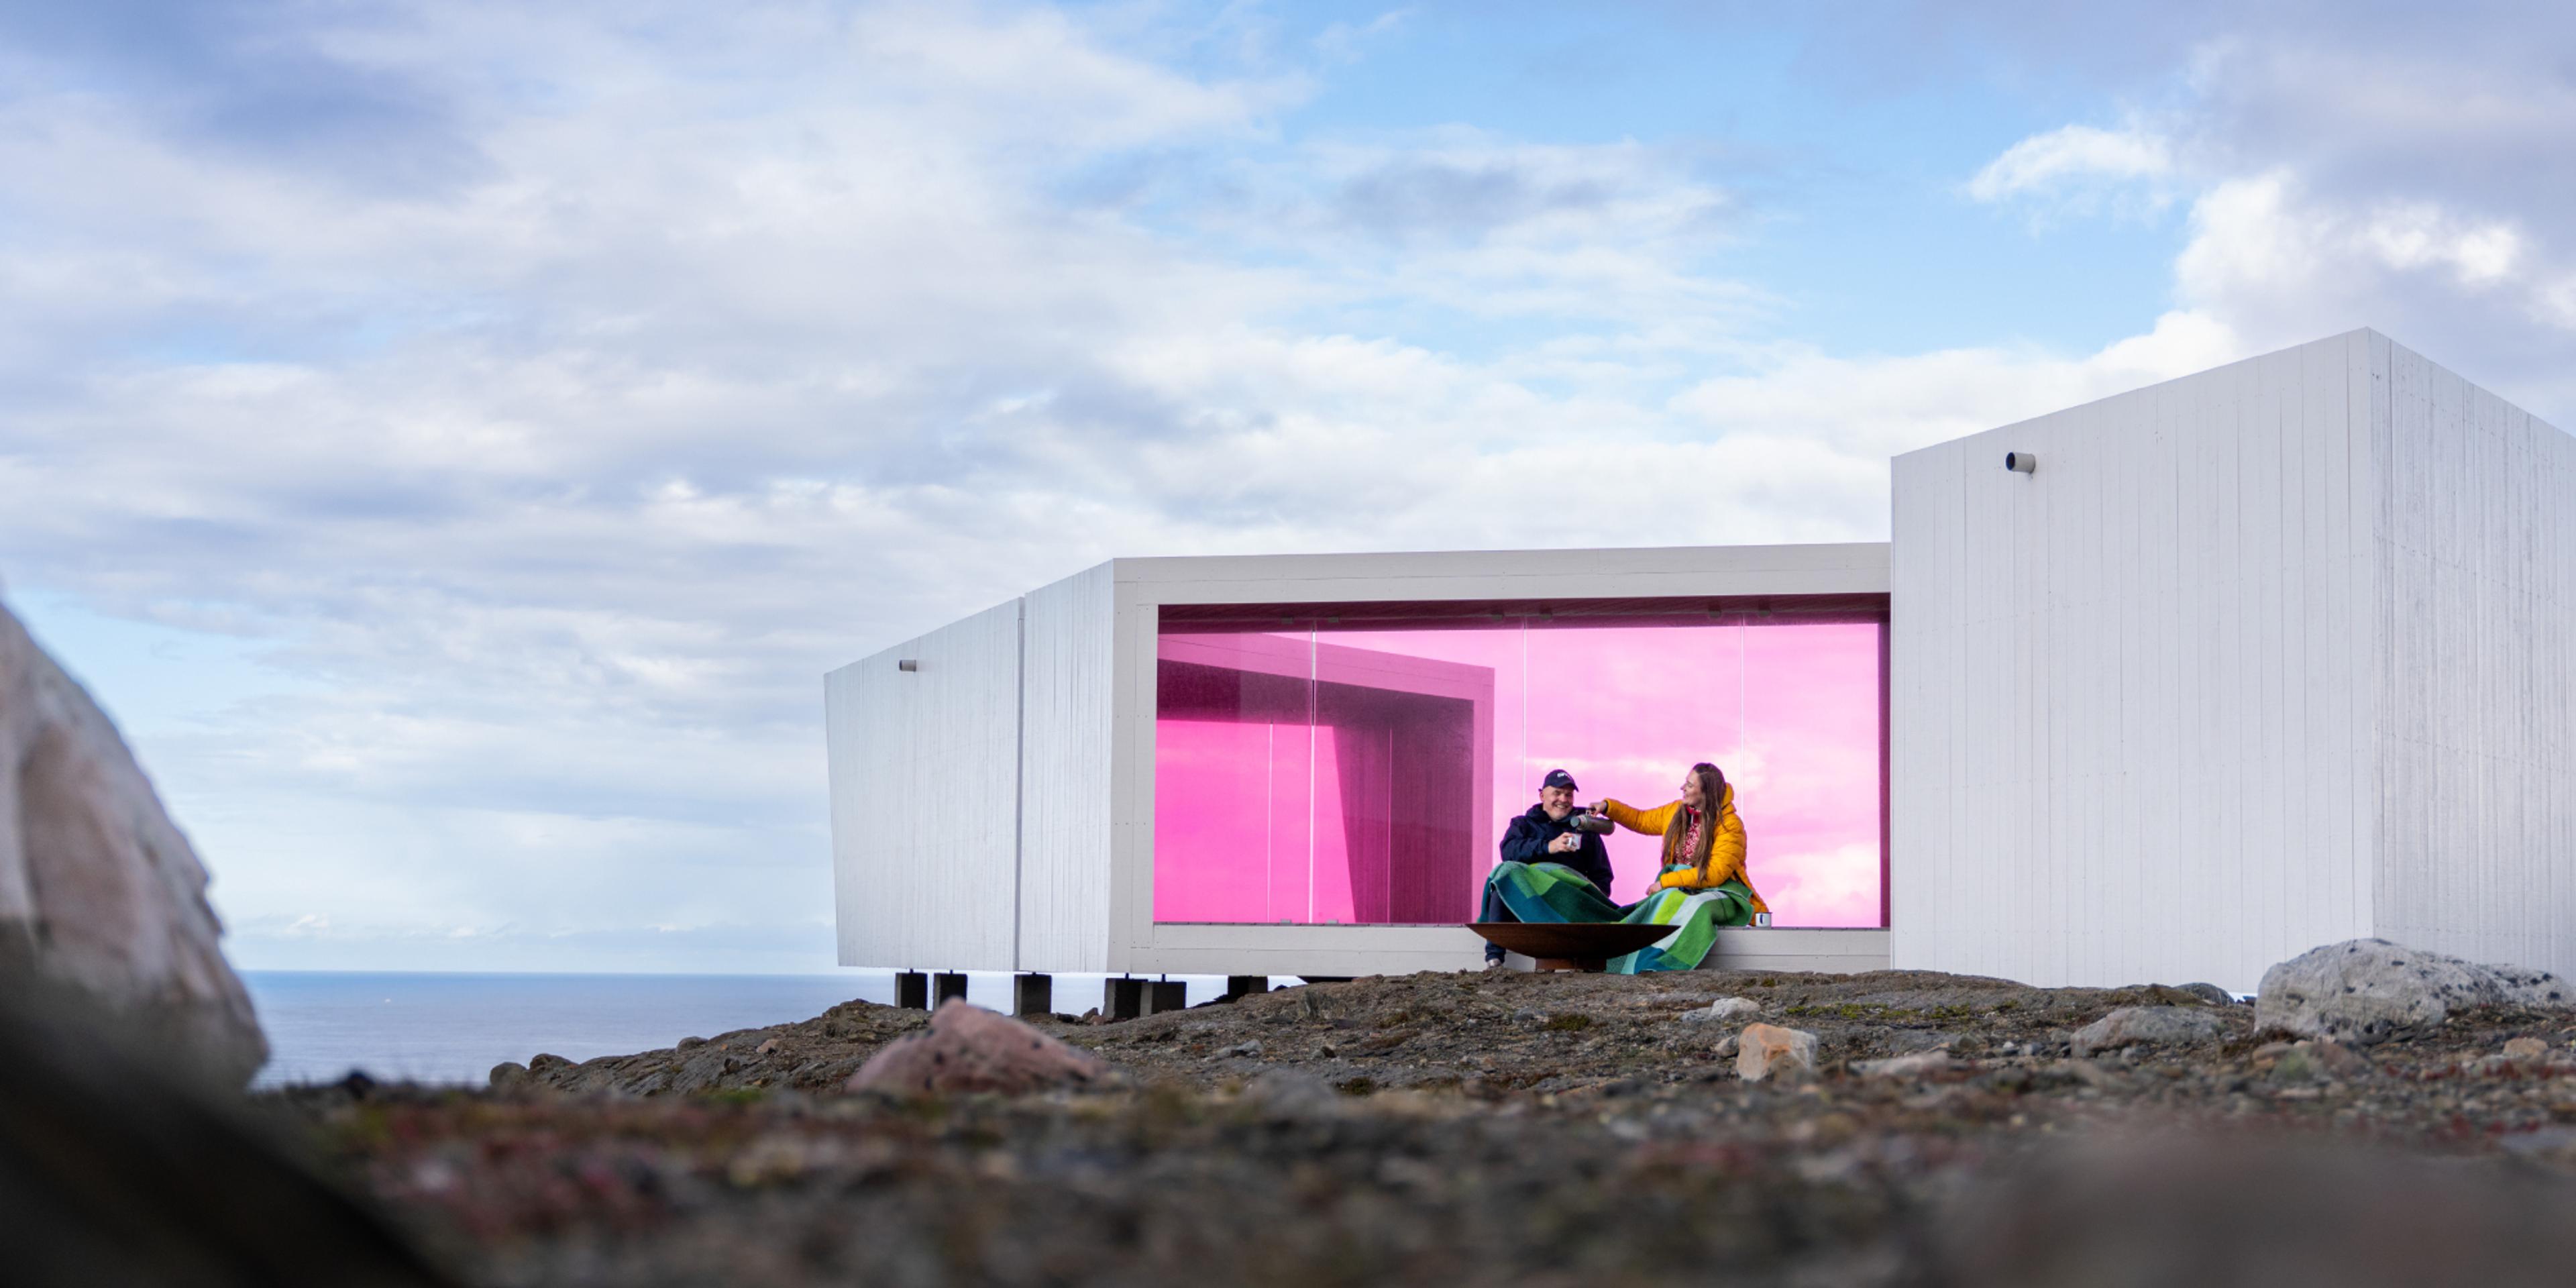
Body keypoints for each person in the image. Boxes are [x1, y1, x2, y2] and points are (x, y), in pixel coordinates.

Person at [1590, 761, 1768, 973]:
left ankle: (1664, 964)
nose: (1682, 788)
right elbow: (1641, 820)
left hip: (1725, 893)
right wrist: (1608, 807)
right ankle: (1625, 958)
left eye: (1690, 785)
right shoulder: (1676, 811)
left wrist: (1665, 882)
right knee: (1665, 902)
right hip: (1684, 890)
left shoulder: (1730, 825)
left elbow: (1714, 875)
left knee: (1687, 903)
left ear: (1706, 792)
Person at [1477, 769, 1617, 967]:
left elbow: (1602, 874)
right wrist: (1549, 847)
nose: (1563, 799)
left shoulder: (1586, 828)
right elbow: (1508, 852)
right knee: (1504, 874)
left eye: (1569, 794)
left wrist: (1593, 903)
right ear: (1542, 795)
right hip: (1531, 901)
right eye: (1557, 793)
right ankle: (1494, 957)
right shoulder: (1523, 824)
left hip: (1569, 903)